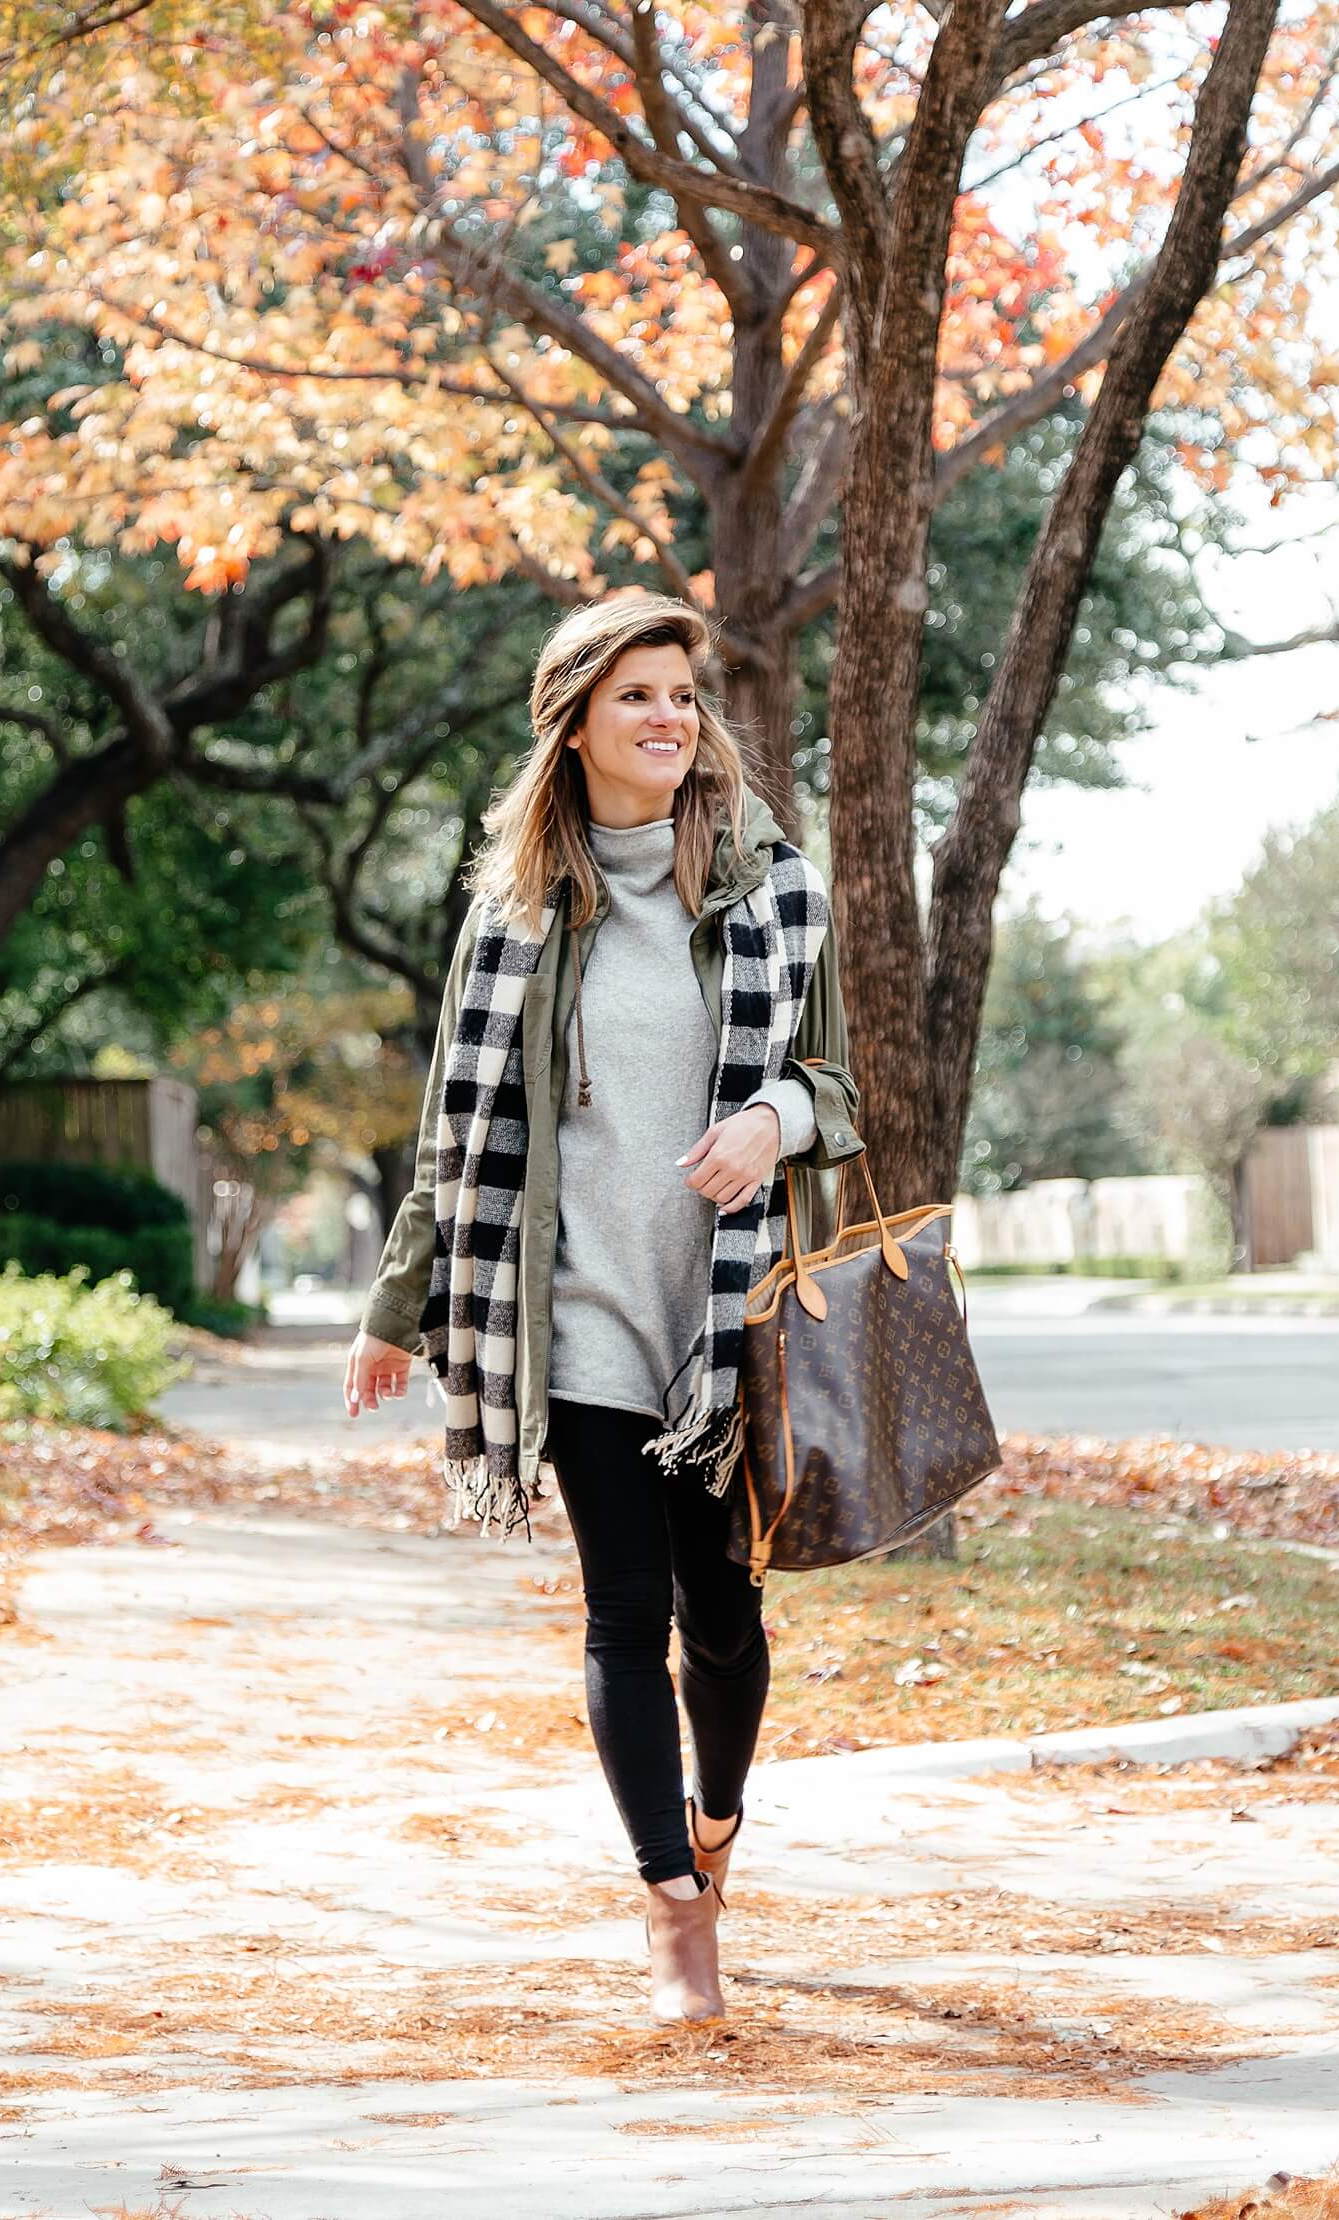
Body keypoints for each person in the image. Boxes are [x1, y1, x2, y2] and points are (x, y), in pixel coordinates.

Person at [342, 593, 863, 2024]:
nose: (669, 720)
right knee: (624, 1611)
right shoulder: (512, 921)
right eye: (636, 695)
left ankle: (719, 1820)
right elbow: (451, 1137)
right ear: (573, 721)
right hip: (568, 1312)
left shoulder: (775, 894)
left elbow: (844, 1094)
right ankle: (671, 1907)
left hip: (725, 1319)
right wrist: (400, 1307)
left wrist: (775, 1117)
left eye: (682, 696)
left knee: (728, 1622)